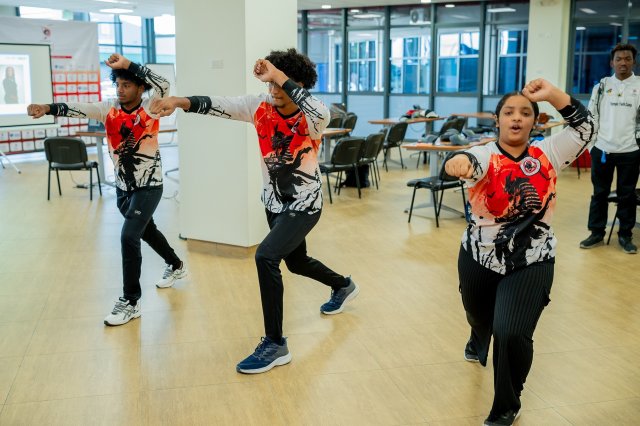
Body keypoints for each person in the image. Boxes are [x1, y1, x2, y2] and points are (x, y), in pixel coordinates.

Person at [150, 48, 358, 374]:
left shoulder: (312, 116)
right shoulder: (258, 107)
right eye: (270, 84)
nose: (273, 90)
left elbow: (321, 111)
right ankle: (343, 285)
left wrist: (278, 75)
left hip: (304, 205)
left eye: (280, 83)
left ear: (297, 85)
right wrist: (179, 101)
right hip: (274, 203)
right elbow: (219, 104)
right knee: (297, 261)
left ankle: (275, 344)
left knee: (266, 256)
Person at [445, 79, 594, 426]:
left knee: (510, 332)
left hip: (532, 258)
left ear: (534, 121)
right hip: (479, 255)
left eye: (525, 113)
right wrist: (458, 161)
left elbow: (586, 128)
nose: (516, 118)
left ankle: (507, 404)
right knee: (478, 316)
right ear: (496, 119)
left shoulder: (548, 153)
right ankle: (477, 335)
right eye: (509, 112)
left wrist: (553, 95)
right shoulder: (486, 153)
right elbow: (469, 159)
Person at [27, 53, 187, 326]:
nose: (120, 90)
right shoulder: (108, 109)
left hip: (149, 185)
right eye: (118, 84)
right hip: (124, 188)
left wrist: (127, 65)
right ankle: (176, 265)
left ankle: (131, 301)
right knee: (146, 231)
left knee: (128, 236)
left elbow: (162, 84)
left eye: (127, 84)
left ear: (140, 87)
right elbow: (77, 108)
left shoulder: (151, 107)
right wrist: (47, 107)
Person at [580, 43, 640, 254]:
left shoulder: (639, 86)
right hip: (603, 150)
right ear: (611, 63)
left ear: (634, 62)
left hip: (630, 151)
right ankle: (596, 232)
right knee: (599, 193)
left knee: (627, 195)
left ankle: (625, 235)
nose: (623, 63)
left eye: (627, 59)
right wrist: (592, 146)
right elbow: (592, 116)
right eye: (619, 59)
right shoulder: (602, 86)